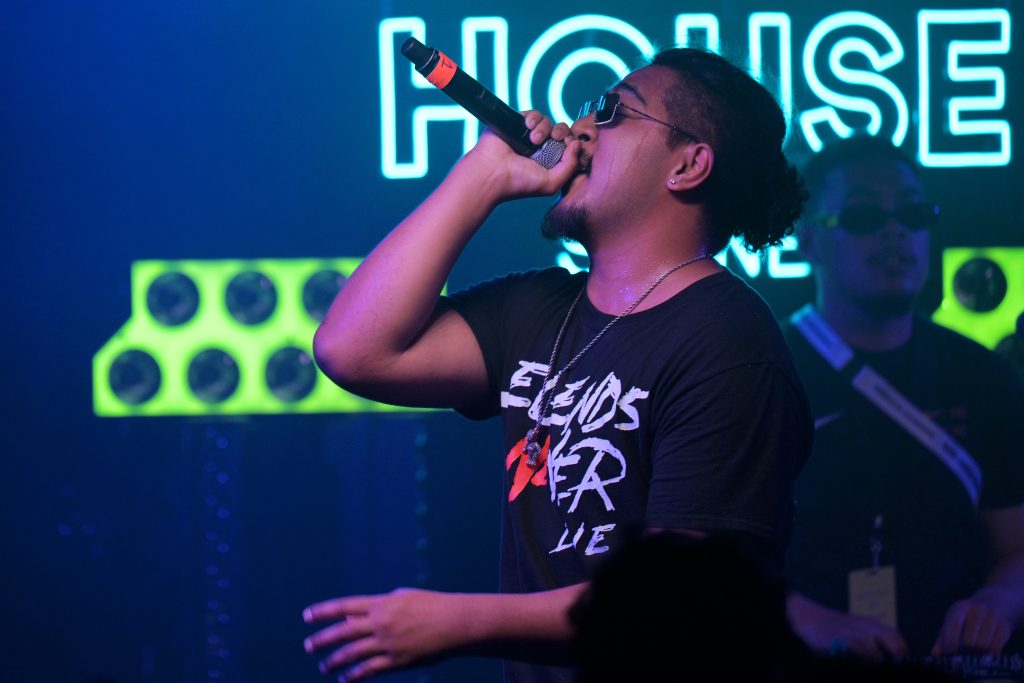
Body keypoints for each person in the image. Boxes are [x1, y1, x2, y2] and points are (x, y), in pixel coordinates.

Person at [304, 47, 811, 683]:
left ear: (687, 164)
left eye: (611, 110)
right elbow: (353, 350)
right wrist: (481, 175)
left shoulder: (730, 346)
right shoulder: (540, 307)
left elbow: (674, 602)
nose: (579, 128)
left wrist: (457, 622)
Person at [784, 136, 1024, 662]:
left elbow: (1016, 549)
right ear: (809, 241)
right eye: (864, 214)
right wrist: (808, 619)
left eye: (913, 213)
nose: (895, 230)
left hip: (944, 657)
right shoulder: (761, 371)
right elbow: (710, 553)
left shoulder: (982, 376)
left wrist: (993, 605)